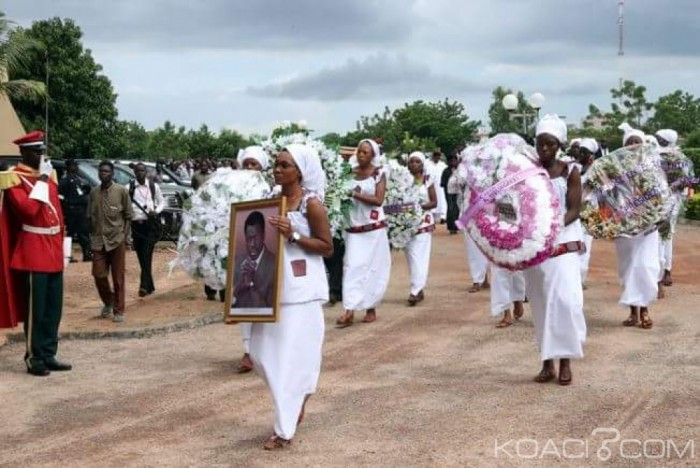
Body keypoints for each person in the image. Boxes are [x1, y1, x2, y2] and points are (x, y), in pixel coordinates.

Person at [249, 143, 333, 450]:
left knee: (293, 358)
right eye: (277, 163)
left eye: (285, 165)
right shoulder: (270, 200)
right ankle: (298, 396)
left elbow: (327, 247)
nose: (278, 169)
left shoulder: (312, 204)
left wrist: (294, 234)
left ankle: (283, 429)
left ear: (300, 170)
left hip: (302, 292)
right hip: (271, 287)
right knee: (260, 352)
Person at [0, 130, 72, 376]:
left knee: (54, 309)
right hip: (32, 250)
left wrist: (64, 248)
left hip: (52, 248)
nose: (41, 155)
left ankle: (48, 352)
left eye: (42, 150)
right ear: (23, 152)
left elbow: (58, 215)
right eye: (36, 151)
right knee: (36, 310)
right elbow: (29, 212)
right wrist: (41, 180)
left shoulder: (47, 177)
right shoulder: (13, 179)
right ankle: (34, 357)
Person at [524, 115, 586, 386]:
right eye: (540, 144)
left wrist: (553, 226)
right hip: (535, 244)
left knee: (565, 300)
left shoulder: (570, 169)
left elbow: (574, 208)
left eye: (549, 144)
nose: (544, 150)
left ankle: (566, 361)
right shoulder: (527, 170)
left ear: (559, 145)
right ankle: (547, 363)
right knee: (540, 303)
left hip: (563, 239)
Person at [336, 139, 391, 327]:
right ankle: (349, 310)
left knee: (373, 267)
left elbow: (378, 199)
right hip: (353, 228)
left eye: (365, 153)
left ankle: (371, 307)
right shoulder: (348, 173)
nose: (361, 155)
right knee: (352, 266)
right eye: (359, 151)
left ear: (373, 156)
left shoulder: (379, 174)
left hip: (373, 229)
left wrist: (354, 194)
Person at [615, 123, 659, 329]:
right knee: (628, 267)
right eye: (629, 142)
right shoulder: (615, 168)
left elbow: (662, 196)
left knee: (646, 267)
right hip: (625, 227)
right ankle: (633, 312)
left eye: (637, 142)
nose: (633, 145)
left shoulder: (653, 167)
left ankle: (646, 311)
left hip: (648, 227)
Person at [233, 145, 270, 374]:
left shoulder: (269, 190)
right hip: (243, 253)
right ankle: (247, 351)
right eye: (246, 164)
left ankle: (264, 351)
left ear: (262, 167)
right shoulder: (232, 188)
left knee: (265, 300)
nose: (249, 168)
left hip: (265, 257)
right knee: (244, 301)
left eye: (254, 164)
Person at [87, 161, 133, 323]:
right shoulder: (93, 193)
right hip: (98, 241)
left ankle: (119, 310)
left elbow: (128, 216)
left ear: (112, 174)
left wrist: (125, 237)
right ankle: (108, 300)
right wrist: (90, 239)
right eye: (101, 171)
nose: (103, 174)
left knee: (118, 278)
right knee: (98, 274)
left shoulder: (121, 191)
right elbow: (89, 218)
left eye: (106, 172)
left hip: (116, 240)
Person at [404, 151, 437, 305]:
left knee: (419, 257)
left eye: (417, 161)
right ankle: (418, 287)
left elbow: (434, 202)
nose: (413, 164)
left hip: (423, 223)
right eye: (411, 161)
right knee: (411, 258)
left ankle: (415, 291)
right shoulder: (403, 180)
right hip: (407, 224)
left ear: (422, 164)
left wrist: (417, 207)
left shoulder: (427, 180)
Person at [323, 148, 354, 306]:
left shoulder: (342, 181)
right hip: (321, 223)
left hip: (337, 224)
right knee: (326, 258)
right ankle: (332, 288)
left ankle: (335, 290)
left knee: (336, 256)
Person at [129, 163, 164, 298]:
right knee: (141, 256)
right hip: (136, 226)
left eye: (142, 170)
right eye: (137, 171)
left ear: (146, 172)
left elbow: (161, 202)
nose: (140, 173)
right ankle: (150, 285)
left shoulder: (153, 186)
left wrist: (156, 211)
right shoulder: (130, 188)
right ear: (134, 173)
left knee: (146, 253)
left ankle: (143, 286)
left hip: (150, 226)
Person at [233, 211, 276, 308]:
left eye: (255, 238)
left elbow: (270, 310)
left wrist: (252, 284)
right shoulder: (237, 260)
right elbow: (231, 303)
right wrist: (238, 289)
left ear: (263, 236)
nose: (251, 244)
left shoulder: (275, 264)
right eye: (248, 239)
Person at [655, 129, 680, 287]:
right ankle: (660, 271)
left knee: (666, 235)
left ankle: (666, 271)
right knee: (658, 237)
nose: (657, 140)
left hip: (670, 200)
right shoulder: (654, 155)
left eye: (660, 139)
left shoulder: (677, 158)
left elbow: (682, 180)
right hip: (655, 200)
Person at [58, 159, 92, 262]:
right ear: (69, 167)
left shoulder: (79, 179)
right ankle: (67, 255)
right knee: (70, 234)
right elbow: (60, 196)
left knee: (84, 232)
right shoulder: (65, 181)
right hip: (71, 209)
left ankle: (87, 254)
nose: (76, 168)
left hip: (81, 209)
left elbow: (85, 190)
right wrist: (66, 205)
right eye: (74, 166)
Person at [577, 138, 599, 288]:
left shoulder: (598, 170)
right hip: (574, 211)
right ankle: (574, 277)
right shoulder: (574, 169)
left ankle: (580, 278)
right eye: (581, 151)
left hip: (589, 212)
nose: (581, 154)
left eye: (585, 152)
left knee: (586, 246)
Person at [425, 150, 448, 223]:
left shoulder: (443, 165)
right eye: (435, 155)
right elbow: (425, 175)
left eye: (438, 155)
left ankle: (443, 217)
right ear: (433, 156)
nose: (436, 157)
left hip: (440, 186)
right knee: (431, 199)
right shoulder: (427, 165)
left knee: (442, 200)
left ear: (440, 157)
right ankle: (432, 217)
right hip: (430, 186)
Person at [441, 154, 460, 234]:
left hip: (458, 192)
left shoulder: (459, 170)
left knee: (457, 209)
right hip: (449, 193)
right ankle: (451, 227)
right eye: (451, 161)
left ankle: (456, 226)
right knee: (451, 209)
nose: (453, 162)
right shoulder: (446, 171)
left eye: (454, 160)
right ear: (448, 162)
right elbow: (443, 183)